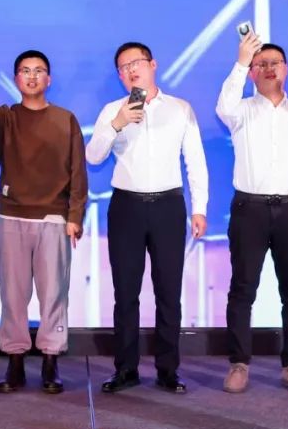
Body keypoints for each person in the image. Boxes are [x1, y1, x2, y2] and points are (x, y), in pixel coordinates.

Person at [0, 33, 88, 394]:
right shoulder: (6, 119)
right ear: (16, 79)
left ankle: (51, 361)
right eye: (25, 71)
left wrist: (75, 216)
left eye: (38, 71)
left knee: (54, 294)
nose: (32, 76)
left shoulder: (66, 120)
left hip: (54, 220)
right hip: (12, 218)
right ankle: (15, 360)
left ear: (49, 79)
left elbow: (78, 172)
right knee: (13, 295)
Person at [86, 41, 208, 394]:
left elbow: (195, 160)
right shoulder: (113, 110)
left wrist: (199, 207)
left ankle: (168, 370)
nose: (131, 71)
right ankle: (126, 369)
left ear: (153, 65)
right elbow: (93, 156)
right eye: (123, 67)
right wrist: (117, 124)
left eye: (136, 63)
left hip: (169, 206)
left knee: (169, 292)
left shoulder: (180, 109)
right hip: (126, 207)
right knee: (125, 293)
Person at [215, 30, 288, 394]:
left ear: (286, 68)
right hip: (249, 209)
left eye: (274, 63)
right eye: (260, 64)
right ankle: (239, 363)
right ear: (252, 72)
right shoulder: (240, 111)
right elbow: (223, 106)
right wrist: (240, 62)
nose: (268, 68)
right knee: (242, 289)